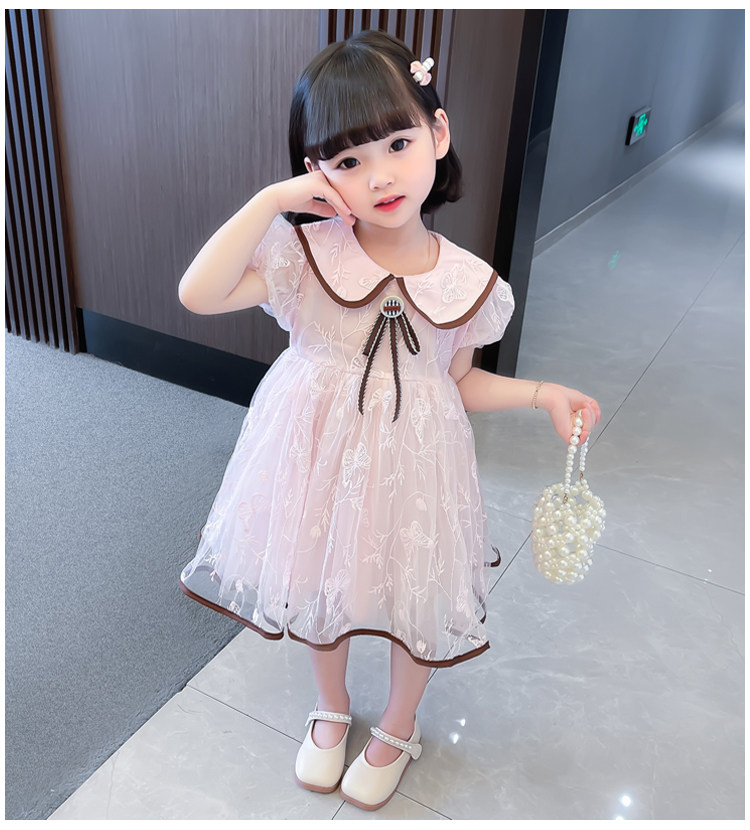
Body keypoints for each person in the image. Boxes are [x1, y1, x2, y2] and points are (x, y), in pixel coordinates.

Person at [177, 29, 601, 812]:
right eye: (346, 160)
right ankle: (331, 705)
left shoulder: (469, 282)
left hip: (416, 461)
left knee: (415, 591)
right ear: (316, 174)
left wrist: (542, 393)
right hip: (315, 455)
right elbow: (198, 294)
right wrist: (269, 202)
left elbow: (457, 382)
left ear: (437, 134)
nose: (378, 176)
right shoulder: (305, 254)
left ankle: (400, 724)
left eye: (398, 143)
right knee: (319, 578)